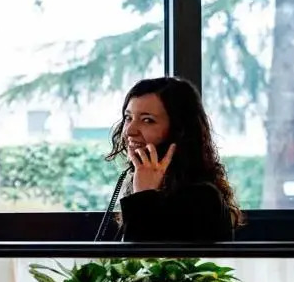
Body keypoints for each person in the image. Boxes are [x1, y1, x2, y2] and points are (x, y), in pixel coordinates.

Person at [97, 76, 243, 242]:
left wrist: (144, 197)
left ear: (178, 130)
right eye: (128, 117)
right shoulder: (149, 182)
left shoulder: (202, 197)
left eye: (147, 120)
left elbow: (141, 255)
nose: (130, 131)